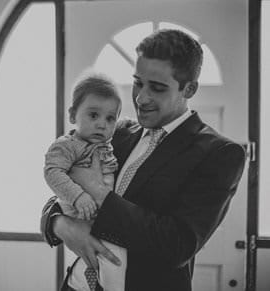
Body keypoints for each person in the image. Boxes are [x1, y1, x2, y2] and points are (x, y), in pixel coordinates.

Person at [40, 29, 246, 290]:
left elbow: (176, 246)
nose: (141, 97)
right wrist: (61, 225)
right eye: (138, 82)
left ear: (189, 88)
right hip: (76, 285)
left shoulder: (220, 154)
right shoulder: (115, 132)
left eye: (157, 88)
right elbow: (58, 185)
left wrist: (98, 192)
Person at [44, 73, 126, 291]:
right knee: (108, 261)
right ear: (72, 115)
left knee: (114, 264)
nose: (102, 124)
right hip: (78, 213)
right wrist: (78, 196)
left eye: (110, 118)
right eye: (93, 115)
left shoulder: (109, 147)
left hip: (104, 221)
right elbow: (52, 172)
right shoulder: (67, 145)